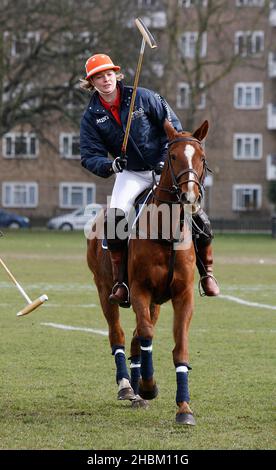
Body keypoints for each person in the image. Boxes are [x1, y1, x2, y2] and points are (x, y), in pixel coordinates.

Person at [80, 53, 220, 305]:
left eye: (109, 74)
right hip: (130, 173)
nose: (106, 80)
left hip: (164, 169)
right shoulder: (92, 116)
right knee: (115, 219)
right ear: (92, 82)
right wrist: (110, 164)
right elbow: (89, 155)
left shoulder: (143, 98)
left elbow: (174, 129)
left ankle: (206, 274)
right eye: (99, 77)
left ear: (116, 74)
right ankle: (121, 282)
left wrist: (168, 159)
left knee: (197, 214)